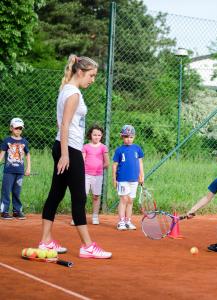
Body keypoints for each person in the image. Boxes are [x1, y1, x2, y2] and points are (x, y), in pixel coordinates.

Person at [38, 55, 111, 259]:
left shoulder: (67, 90)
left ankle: (45, 241)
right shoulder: (73, 94)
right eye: (91, 75)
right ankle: (87, 246)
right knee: (79, 196)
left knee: (56, 194)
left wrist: (62, 150)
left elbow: (61, 123)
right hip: (69, 150)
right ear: (80, 72)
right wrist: (65, 154)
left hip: (64, 147)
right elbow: (64, 125)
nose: (93, 79)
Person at [71, 124, 109, 225]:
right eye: (94, 135)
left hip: (98, 176)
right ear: (90, 135)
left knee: (96, 196)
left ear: (101, 136)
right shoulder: (85, 147)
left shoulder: (103, 147)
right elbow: (82, 161)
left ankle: (95, 216)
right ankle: (78, 217)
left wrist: (98, 169)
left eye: (99, 135)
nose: (97, 137)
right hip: (86, 175)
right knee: (82, 196)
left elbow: (107, 163)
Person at [112, 125, 144, 231]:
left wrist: (141, 175)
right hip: (122, 179)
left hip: (134, 179)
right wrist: (114, 179)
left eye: (130, 137)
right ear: (122, 137)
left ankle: (128, 221)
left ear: (134, 137)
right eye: (126, 137)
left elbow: (140, 163)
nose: (128, 139)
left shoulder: (137, 148)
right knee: (124, 199)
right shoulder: (119, 150)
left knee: (130, 200)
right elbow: (114, 165)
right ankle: (121, 221)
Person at [0, 118, 31, 220]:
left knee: (17, 191)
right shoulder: (7, 140)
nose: (18, 130)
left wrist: (28, 168)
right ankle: (4, 211)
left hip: (20, 172)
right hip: (8, 171)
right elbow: (2, 154)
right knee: (6, 191)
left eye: (20, 128)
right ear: (11, 128)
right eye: (16, 128)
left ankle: (17, 211)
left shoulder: (24, 141)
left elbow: (28, 155)